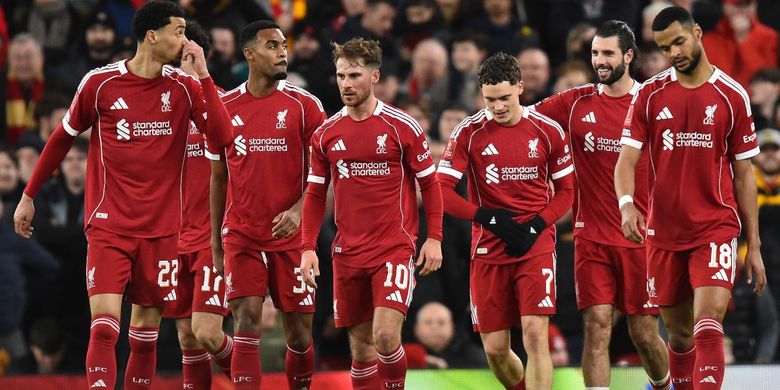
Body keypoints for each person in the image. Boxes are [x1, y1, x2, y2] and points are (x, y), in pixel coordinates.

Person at [11, 2, 232, 389]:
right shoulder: (100, 84)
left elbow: (223, 138)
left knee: (143, 337)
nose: (185, 41)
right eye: (178, 32)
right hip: (109, 226)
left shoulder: (183, 87)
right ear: (152, 36)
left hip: (164, 231)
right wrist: (29, 194)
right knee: (105, 329)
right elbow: (62, 138)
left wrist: (203, 75)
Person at [615, 6, 767, 390]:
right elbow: (625, 161)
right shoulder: (649, 94)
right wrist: (627, 204)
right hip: (663, 232)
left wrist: (755, 244)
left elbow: (745, 174)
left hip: (715, 226)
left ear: (697, 33)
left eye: (679, 42)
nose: (674, 52)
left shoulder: (732, 95)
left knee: (708, 326)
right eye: (666, 48)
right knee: (680, 338)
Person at [532, 20, 670, 390]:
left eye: (607, 53)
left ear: (628, 55)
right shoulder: (575, 103)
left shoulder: (653, 104)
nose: (600, 60)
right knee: (596, 324)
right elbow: (526, 121)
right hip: (591, 237)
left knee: (643, 332)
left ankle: (663, 384)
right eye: (595, 53)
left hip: (641, 239)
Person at [299, 37, 443, 389]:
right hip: (347, 252)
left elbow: (430, 185)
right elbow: (315, 194)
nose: (346, 84)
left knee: (384, 335)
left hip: (393, 247)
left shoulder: (402, 127)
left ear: (375, 76)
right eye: (341, 76)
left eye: (355, 76)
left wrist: (434, 238)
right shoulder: (326, 134)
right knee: (361, 349)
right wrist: (306, 247)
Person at [437, 52, 574, 390]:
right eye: (489, 100)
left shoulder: (547, 131)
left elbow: (568, 192)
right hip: (489, 246)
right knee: (497, 350)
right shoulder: (469, 132)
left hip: (535, 244)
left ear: (520, 88)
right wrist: (486, 217)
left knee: (534, 334)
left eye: (504, 98)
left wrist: (537, 225)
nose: (497, 107)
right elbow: (441, 190)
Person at [209, 20, 326, 389]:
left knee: (299, 336)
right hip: (241, 233)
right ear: (249, 55)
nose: (281, 53)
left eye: (283, 46)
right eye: (272, 46)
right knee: (245, 320)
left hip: (292, 239)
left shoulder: (306, 106)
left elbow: (327, 176)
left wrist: (297, 211)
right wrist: (215, 242)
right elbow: (218, 178)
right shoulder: (225, 107)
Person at [160, 20, 233, 389]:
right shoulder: (161, 110)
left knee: (207, 331)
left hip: (212, 238)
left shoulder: (224, 105)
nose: (173, 70)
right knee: (187, 336)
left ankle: (250, 378)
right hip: (173, 238)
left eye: (182, 59)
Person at [412, 301, 487, 368]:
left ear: (452, 327)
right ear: (416, 328)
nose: (434, 327)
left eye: (441, 322)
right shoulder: (404, 356)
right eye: (428, 322)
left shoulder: (475, 356)